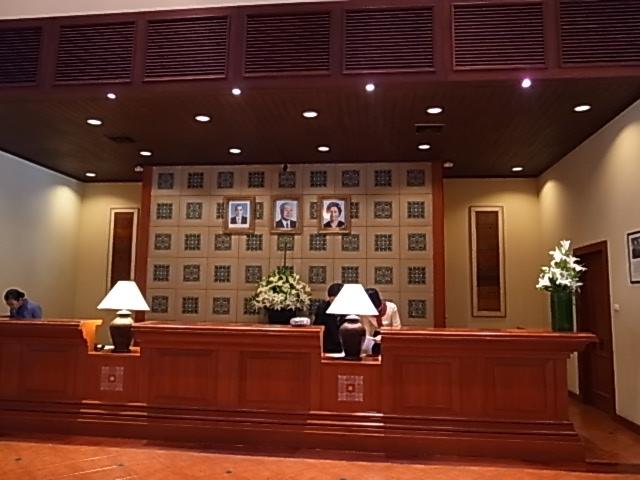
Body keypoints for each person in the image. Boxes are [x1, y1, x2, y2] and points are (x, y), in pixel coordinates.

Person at [360, 288, 401, 355]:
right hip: (375, 337)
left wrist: (383, 337)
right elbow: (367, 331)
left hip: (390, 335)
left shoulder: (392, 307)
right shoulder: (365, 312)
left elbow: (397, 329)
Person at [313, 283, 345, 353]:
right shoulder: (322, 309)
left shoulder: (349, 309)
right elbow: (317, 329)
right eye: (332, 300)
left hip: (345, 347)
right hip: (328, 348)